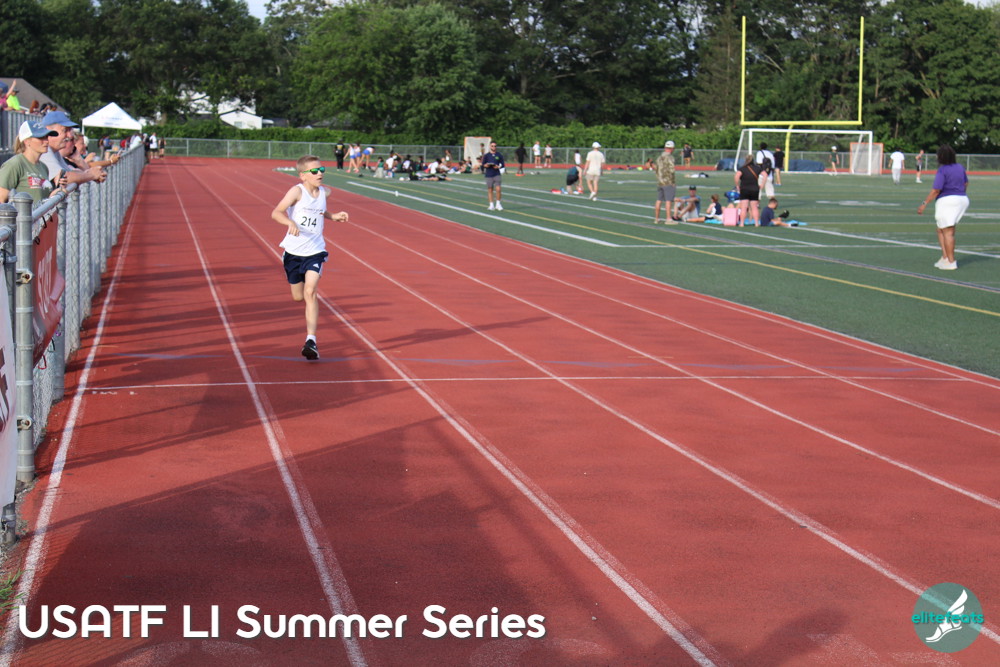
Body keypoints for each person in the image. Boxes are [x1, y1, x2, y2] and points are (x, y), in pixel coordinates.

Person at [270, 156, 349, 360]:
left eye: (321, 169)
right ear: (302, 175)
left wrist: (333, 216)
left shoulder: (325, 192)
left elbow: (320, 210)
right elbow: (276, 212)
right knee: (298, 296)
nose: (320, 173)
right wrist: (289, 223)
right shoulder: (296, 191)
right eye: (314, 171)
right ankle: (310, 336)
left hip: (315, 251)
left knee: (310, 291)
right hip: (293, 252)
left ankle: (311, 340)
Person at [918, 144, 969, 271]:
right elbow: (966, 183)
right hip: (962, 199)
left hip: (947, 201)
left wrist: (924, 204)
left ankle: (951, 262)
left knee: (948, 231)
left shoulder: (943, 170)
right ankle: (945, 257)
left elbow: (936, 189)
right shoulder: (960, 167)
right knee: (941, 229)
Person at [0, 120, 59, 204]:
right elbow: (1, 200)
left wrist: (55, 195)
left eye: (46, 137)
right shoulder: (14, 164)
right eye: (41, 137)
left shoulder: (44, 167)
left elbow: (40, 199)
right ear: (27, 141)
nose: (46, 141)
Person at [653, 140, 676, 224]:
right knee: (668, 200)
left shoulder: (659, 158)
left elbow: (656, 169)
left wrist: (659, 178)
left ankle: (657, 218)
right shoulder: (670, 157)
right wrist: (672, 181)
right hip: (668, 181)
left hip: (660, 181)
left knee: (659, 200)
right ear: (672, 148)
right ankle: (668, 219)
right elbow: (672, 170)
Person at [735, 155, 762, 226]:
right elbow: (765, 175)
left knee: (744, 207)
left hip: (744, 189)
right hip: (755, 189)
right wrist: (762, 184)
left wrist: (737, 185)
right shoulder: (757, 168)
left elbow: (737, 176)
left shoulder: (742, 169)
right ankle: (756, 223)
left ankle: (742, 223)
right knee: (754, 207)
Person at [482, 141, 505, 211]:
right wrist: (486, 165)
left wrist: (498, 166)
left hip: (496, 173)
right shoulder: (486, 155)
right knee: (490, 189)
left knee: (498, 189)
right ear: (490, 146)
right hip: (489, 174)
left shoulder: (499, 155)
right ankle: (491, 205)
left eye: (495, 146)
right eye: (492, 146)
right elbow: (483, 164)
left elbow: (502, 164)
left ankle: (498, 204)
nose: (494, 147)